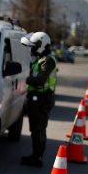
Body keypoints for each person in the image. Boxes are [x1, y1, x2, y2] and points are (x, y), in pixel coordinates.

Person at [20, 31, 58, 167]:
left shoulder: (47, 60)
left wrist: (26, 78)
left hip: (42, 99)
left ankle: (37, 158)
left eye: (34, 46)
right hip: (37, 98)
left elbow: (40, 80)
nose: (32, 49)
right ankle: (35, 155)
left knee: (39, 128)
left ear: (42, 45)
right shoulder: (40, 59)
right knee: (35, 128)